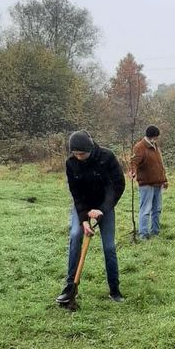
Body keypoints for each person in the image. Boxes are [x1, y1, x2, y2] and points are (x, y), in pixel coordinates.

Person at [56, 130, 126, 304]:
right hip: (83, 207)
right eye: (76, 154)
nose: (79, 157)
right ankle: (70, 287)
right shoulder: (71, 163)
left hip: (105, 206)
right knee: (75, 236)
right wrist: (83, 220)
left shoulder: (107, 157)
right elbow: (76, 193)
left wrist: (102, 209)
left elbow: (118, 185)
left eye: (82, 154)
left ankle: (114, 290)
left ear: (90, 148)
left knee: (109, 247)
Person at [130, 125, 168, 239]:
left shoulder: (155, 146)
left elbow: (160, 165)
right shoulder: (139, 147)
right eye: (156, 136)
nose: (157, 139)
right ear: (152, 136)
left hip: (158, 183)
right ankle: (143, 234)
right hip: (146, 184)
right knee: (146, 210)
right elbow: (134, 162)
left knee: (157, 209)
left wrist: (164, 179)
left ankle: (155, 232)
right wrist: (133, 171)